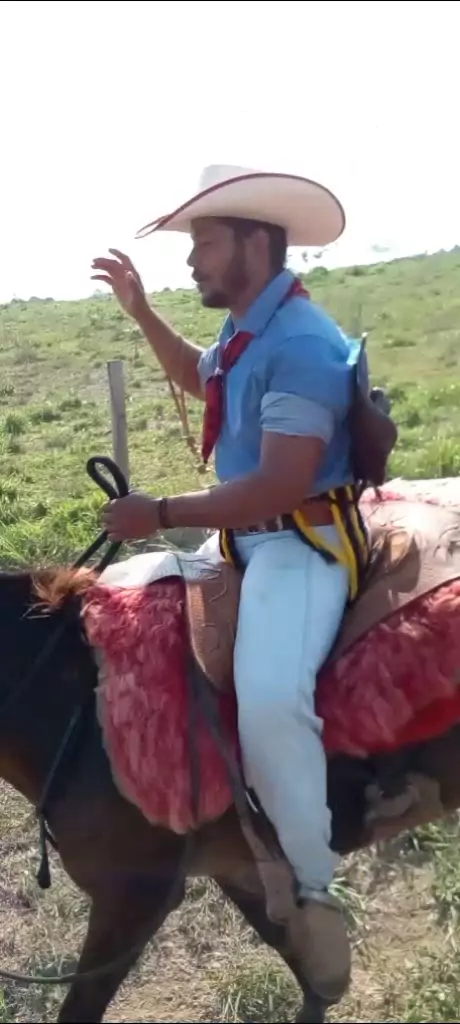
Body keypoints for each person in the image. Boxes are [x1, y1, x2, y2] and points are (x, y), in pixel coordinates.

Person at [91, 164, 371, 1003]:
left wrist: (160, 511)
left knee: (271, 698)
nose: (192, 261)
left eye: (205, 243)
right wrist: (143, 314)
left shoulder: (302, 343)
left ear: (255, 242)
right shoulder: (253, 327)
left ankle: (315, 890)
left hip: (298, 544)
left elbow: (281, 483)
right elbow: (202, 376)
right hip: (243, 540)